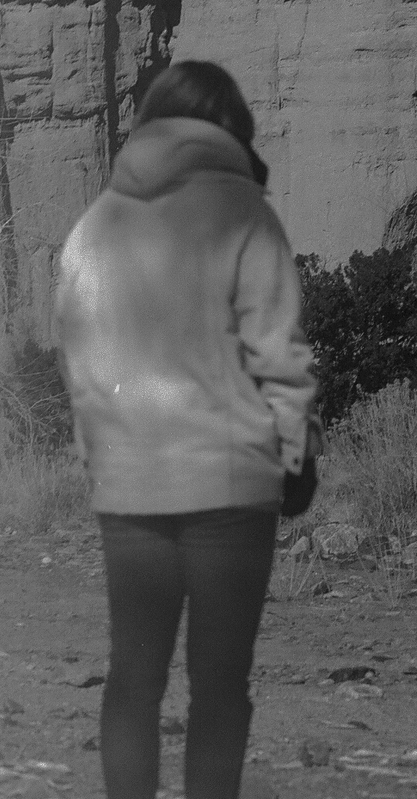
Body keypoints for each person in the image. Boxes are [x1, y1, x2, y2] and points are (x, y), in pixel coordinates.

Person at [55, 61, 319, 799]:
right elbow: (278, 354)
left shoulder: (95, 224)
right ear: (231, 128)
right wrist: (297, 451)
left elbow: (81, 362)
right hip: (230, 481)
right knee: (221, 684)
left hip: (131, 485)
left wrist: (102, 456)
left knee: (132, 679)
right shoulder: (244, 212)